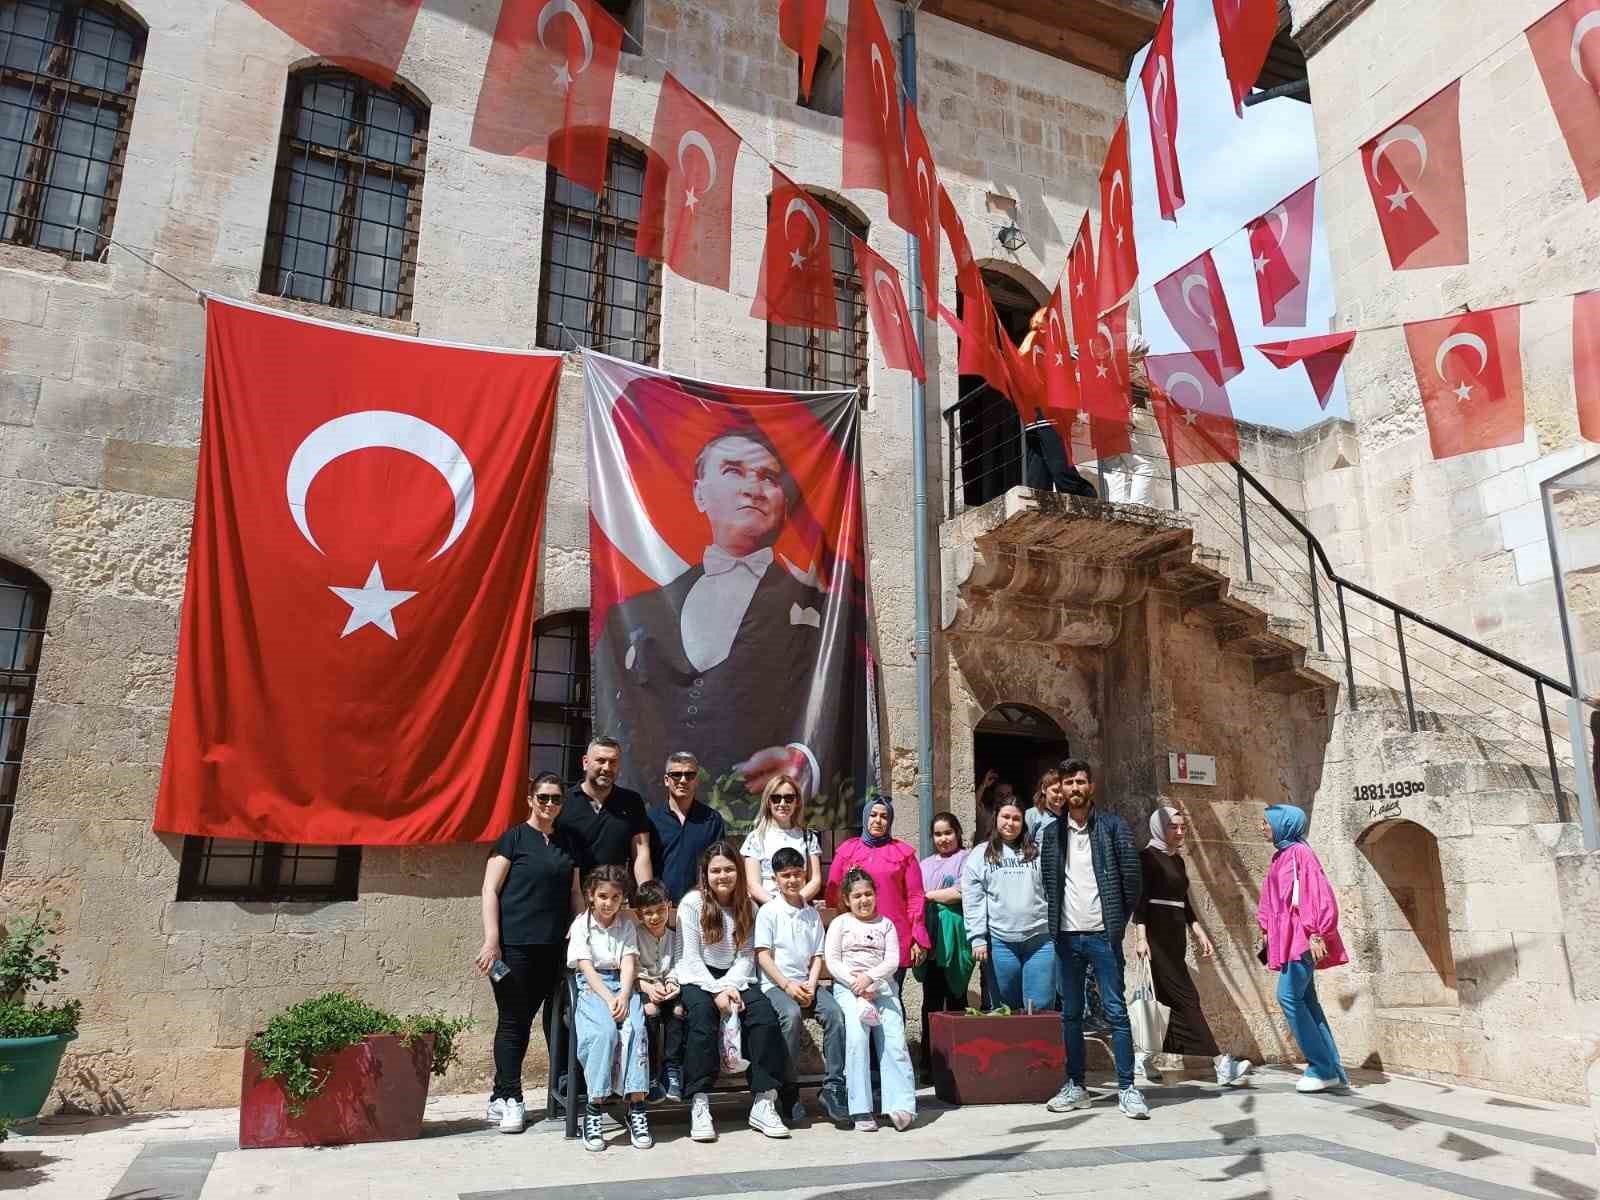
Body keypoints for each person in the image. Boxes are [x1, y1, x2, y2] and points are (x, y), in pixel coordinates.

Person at [592, 429, 851, 807]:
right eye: (733, 471)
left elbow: (844, 702)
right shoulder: (634, 614)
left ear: (784, 500)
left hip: (758, 819)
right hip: (657, 821)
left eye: (768, 477)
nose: (753, 489)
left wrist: (806, 761)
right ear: (699, 494)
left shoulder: (823, 614)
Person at [476, 772, 585, 1134]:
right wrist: (492, 940)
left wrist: (581, 930)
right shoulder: (513, 839)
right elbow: (490, 890)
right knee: (514, 1022)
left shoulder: (568, 842)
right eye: (543, 798)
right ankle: (509, 1098)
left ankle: (565, 1095)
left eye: (556, 799)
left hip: (556, 949)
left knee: (559, 1022)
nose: (550, 805)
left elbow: (575, 893)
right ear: (530, 799)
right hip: (515, 949)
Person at [1040, 759, 1148, 1120]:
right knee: (1070, 1015)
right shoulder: (1052, 834)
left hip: (1104, 936)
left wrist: (1116, 925)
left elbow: (1131, 879)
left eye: (1080, 781)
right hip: (1067, 938)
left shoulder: (1113, 827)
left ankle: (1128, 1088)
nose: (1074, 788)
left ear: (1091, 787)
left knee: (1116, 1012)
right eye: (1068, 782)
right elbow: (1048, 882)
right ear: (1062, 789)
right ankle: (1077, 1086)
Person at [675, 840, 790, 1141]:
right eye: (716, 871)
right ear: (705, 874)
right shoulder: (691, 904)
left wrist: (729, 986)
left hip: (736, 977)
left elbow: (746, 955)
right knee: (701, 1018)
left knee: (763, 1016)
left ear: (738, 872)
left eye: (728, 869)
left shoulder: (748, 906)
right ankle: (700, 1102)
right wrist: (716, 992)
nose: (723, 876)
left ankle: (764, 1101)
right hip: (698, 977)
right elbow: (690, 957)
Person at [1133, 807, 1251, 1088]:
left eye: (1183, 826)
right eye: (1174, 827)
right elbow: (1140, 901)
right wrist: (1141, 938)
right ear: (1160, 828)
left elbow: (1184, 902)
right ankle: (1220, 1064)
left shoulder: (1178, 861)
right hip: (1157, 938)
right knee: (1187, 999)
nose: (1180, 831)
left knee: (1167, 1001)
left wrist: (1199, 932)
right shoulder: (1147, 858)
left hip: (1175, 937)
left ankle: (1144, 1058)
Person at [1257, 803, 1350, 1093]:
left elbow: (1317, 894)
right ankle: (1332, 1070)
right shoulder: (1281, 856)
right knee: (1307, 1002)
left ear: (1283, 824)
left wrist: (1317, 932)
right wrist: (1265, 930)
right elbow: (1273, 900)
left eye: (1265, 822)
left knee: (1287, 996)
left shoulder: (1301, 854)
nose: (1261, 827)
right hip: (1287, 938)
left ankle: (1321, 1067)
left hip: (1301, 939)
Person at [754, 846, 849, 1126]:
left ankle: (833, 1086)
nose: (792, 881)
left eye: (797, 874)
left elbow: (818, 955)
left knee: (835, 1014)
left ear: (805, 875)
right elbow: (763, 956)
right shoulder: (769, 912)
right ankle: (788, 1088)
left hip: (807, 983)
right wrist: (787, 986)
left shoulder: (810, 915)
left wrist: (810, 983)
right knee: (791, 1016)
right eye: (786, 876)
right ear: (775, 879)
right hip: (775, 985)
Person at [567, 865, 653, 1152]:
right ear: (591, 895)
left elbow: (629, 962)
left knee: (636, 1030)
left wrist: (625, 995)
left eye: (615, 897)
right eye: (603, 896)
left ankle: (637, 1106)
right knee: (604, 1033)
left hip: (622, 984)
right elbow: (586, 967)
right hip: (594, 987)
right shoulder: (582, 925)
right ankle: (594, 1107)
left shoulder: (626, 926)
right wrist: (608, 997)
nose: (608, 903)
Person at [826, 867, 917, 1132]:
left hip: (882, 989)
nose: (863, 900)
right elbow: (832, 961)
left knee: (894, 1041)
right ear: (847, 899)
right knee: (857, 1038)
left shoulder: (885, 925)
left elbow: (891, 961)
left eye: (868, 894)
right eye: (857, 896)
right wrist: (856, 984)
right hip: (849, 989)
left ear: (876, 895)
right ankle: (860, 1108)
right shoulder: (841, 924)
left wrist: (871, 980)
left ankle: (900, 1105)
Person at [825, 796, 929, 992]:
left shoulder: (904, 854)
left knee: (890, 997)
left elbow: (916, 897)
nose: (878, 820)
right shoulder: (847, 850)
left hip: (894, 938)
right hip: (854, 940)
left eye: (884, 816)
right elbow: (833, 892)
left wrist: (917, 937)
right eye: (873, 815)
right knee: (855, 998)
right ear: (865, 818)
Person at [963, 797, 1055, 1013]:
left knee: (1040, 1008)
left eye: (1016, 818)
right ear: (996, 819)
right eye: (1006, 817)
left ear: (1023, 822)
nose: (1010, 823)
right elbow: (973, 899)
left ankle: (1038, 1048)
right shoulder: (980, 854)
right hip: (1000, 943)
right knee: (1006, 1010)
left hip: (1040, 940)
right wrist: (977, 938)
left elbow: (1054, 891)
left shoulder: (1038, 852)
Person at [1018, 307, 1097, 499]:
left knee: (1045, 458)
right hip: (1043, 408)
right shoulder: (1038, 343)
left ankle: (1046, 494)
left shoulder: (1041, 345)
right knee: (1052, 458)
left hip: (1041, 410)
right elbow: (1035, 367)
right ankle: (1078, 493)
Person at [916, 812, 974, 1068]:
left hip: (956, 939)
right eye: (938, 834)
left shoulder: (967, 859)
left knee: (956, 998)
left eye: (948, 833)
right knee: (931, 1001)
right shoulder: (925, 864)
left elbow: (959, 892)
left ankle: (959, 1061)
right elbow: (914, 895)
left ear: (958, 833)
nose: (943, 839)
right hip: (931, 939)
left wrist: (929, 895)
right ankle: (931, 1064)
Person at [557, 737, 652, 887]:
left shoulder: (632, 802)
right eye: (601, 760)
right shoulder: (562, 802)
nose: (607, 768)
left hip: (613, 898)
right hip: (567, 895)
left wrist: (646, 893)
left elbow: (641, 852)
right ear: (585, 762)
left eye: (613, 762)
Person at [647, 751, 727, 902]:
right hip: (661, 907)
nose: (683, 780)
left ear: (696, 780)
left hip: (703, 904)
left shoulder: (712, 819)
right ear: (666, 780)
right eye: (676, 775)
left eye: (689, 775)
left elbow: (719, 863)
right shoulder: (651, 819)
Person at [632, 879, 685, 1103]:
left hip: (668, 987)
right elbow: (632, 968)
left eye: (660, 910)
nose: (655, 917)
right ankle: (651, 1073)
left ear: (669, 907)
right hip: (644, 986)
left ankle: (672, 1067)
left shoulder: (674, 937)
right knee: (651, 1011)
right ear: (639, 914)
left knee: (679, 1011)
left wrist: (673, 982)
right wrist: (648, 986)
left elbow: (679, 963)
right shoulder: (634, 935)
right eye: (649, 913)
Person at [741, 773, 823, 905]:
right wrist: (777, 906)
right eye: (776, 798)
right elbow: (752, 884)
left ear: (797, 802)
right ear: (768, 802)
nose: (782, 803)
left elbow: (815, 880)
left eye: (789, 798)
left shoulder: (808, 837)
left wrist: (795, 902)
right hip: (766, 909)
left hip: (800, 908)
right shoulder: (756, 838)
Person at [974, 769, 1015, 846]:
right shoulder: (986, 814)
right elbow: (973, 803)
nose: (1004, 798)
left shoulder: (1014, 817)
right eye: (1000, 795)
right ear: (993, 796)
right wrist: (984, 785)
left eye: (1008, 794)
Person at [1025, 768, 1064, 842]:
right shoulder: (1031, 815)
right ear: (1044, 789)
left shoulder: (1069, 816)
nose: (1060, 795)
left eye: (1063, 791)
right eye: (1055, 791)